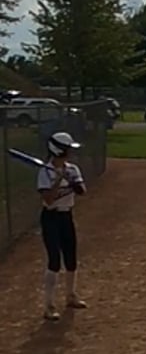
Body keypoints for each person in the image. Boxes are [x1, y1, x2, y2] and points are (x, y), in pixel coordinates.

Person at [37, 132, 88, 321]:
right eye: (67, 150)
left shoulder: (72, 169)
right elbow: (48, 200)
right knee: (54, 261)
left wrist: (70, 178)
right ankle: (49, 305)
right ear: (58, 150)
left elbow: (82, 191)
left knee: (71, 257)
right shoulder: (45, 172)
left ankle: (71, 295)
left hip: (67, 216)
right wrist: (58, 181)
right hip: (51, 218)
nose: (70, 153)